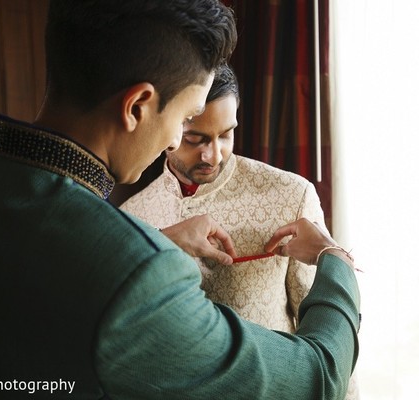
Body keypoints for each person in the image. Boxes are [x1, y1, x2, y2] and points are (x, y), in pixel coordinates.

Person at [0, 1, 360, 399]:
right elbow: (316, 375)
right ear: (138, 106)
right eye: (187, 119)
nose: (179, 138)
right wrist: (335, 259)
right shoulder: (138, 269)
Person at [121, 63, 360, 399]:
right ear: (168, 126)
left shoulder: (289, 196)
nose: (213, 154)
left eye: (226, 134)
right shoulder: (130, 219)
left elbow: (331, 339)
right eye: (195, 139)